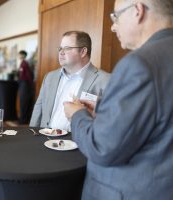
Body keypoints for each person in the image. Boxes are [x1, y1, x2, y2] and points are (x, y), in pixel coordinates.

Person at [64, 0, 173, 199]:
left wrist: (77, 114)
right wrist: (104, 110)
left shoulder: (139, 64)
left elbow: (102, 147)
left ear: (137, 11)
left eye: (115, 16)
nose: (113, 26)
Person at [30, 31, 110, 131]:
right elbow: (39, 108)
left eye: (67, 48)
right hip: (44, 138)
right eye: (60, 48)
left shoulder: (106, 80)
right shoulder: (50, 77)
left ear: (83, 52)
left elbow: (110, 119)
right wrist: (32, 133)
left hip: (78, 143)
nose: (61, 52)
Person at [18, 50, 34, 124]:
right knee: (23, 102)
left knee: (24, 102)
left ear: (23, 55)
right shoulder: (23, 63)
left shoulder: (25, 63)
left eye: (19, 54)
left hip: (25, 85)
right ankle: (23, 119)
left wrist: (31, 85)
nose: (18, 56)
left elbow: (28, 76)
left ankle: (23, 120)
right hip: (23, 84)